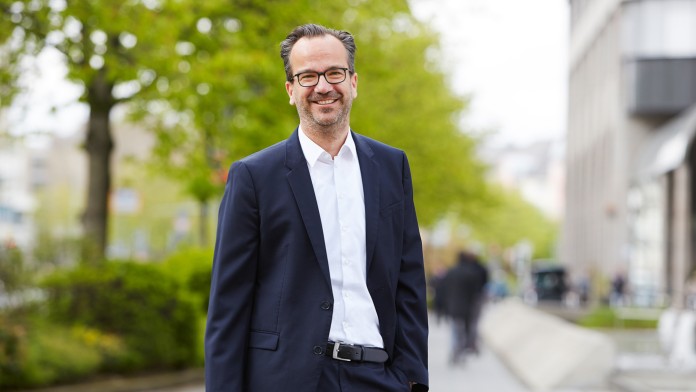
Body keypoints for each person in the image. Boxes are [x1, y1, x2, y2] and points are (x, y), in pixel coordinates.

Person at [205, 24, 429, 392]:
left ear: (353, 82)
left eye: (334, 73)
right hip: (285, 380)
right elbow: (228, 305)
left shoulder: (392, 167)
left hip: (378, 377)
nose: (323, 86)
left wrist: (413, 380)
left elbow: (409, 284)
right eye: (307, 76)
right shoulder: (253, 177)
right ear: (291, 90)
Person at [441, 250, 489, 363]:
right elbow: (476, 293)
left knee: (455, 330)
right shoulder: (472, 273)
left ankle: (455, 350)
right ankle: (461, 351)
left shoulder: (451, 272)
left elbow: (444, 290)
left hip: (453, 307)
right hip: (467, 308)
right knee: (464, 331)